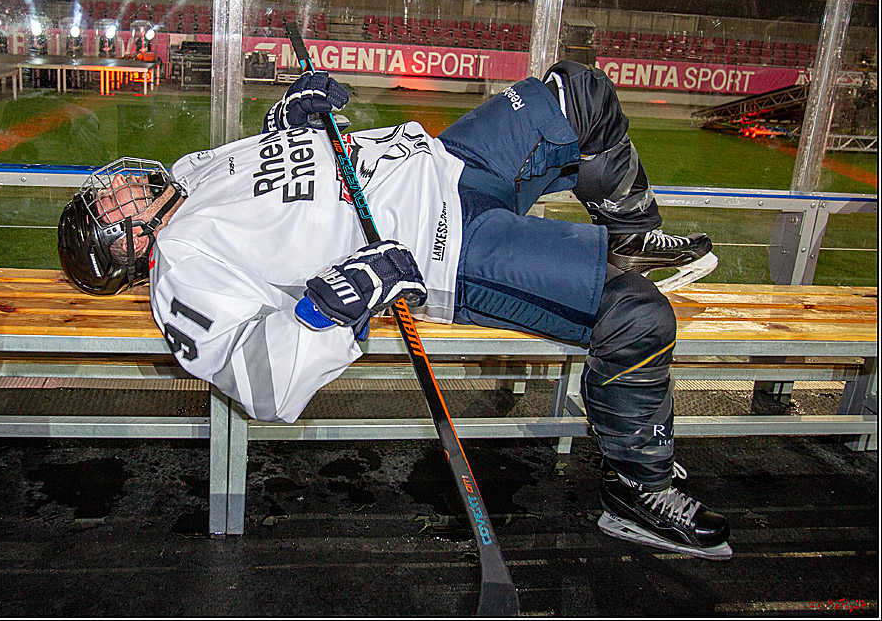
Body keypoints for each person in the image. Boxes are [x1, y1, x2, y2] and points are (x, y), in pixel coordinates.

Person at [57, 62, 730, 560]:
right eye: (108, 204)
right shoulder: (181, 272)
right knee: (638, 317)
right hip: (448, 248)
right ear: (127, 248)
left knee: (578, 94)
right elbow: (257, 378)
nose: (115, 182)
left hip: (444, 165)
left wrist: (292, 119)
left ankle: (632, 234)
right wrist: (326, 309)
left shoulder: (189, 172)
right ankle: (637, 491)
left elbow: (275, 178)